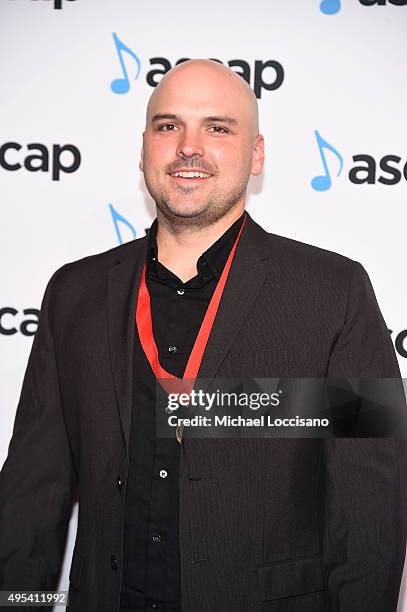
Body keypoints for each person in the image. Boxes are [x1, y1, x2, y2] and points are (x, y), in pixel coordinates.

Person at [0, 59, 405, 612]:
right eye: (168, 126)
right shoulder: (74, 293)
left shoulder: (333, 291)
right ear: (143, 149)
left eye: (217, 127)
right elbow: (31, 494)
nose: (189, 146)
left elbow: (371, 507)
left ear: (256, 153)